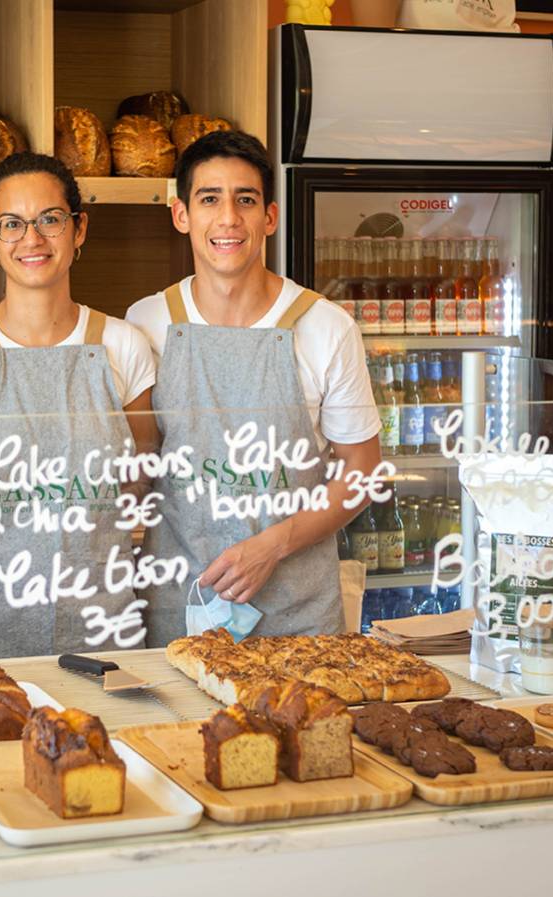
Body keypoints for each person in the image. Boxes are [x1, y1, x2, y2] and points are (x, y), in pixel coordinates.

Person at [126, 130, 383, 646]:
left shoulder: (326, 327)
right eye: (209, 200)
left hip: (298, 614)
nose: (228, 219)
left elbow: (362, 473)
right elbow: (139, 466)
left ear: (269, 216)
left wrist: (273, 544)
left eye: (245, 200)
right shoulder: (146, 322)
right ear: (181, 215)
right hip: (182, 606)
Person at [0, 152, 158, 661]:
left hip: (95, 613)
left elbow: (137, 481)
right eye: (12, 224)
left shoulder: (125, 345)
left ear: (78, 229)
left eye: (50, 219)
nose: (33, 238)